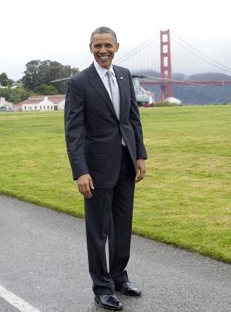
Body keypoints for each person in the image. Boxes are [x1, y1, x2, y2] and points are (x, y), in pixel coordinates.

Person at [64, 26, 147, 311]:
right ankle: (102, 287)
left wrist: (140, 155)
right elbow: (73, 129)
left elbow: (132, 119)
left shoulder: (124, 76)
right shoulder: (79, 82)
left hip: (126, 163)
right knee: (99, 231)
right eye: (97, 46)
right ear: (90, 48)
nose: (103, 50)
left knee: (122, 226)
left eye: (107, 45)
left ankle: (119, 276)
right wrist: (80, 171)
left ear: (116, 46)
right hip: (96, 168)